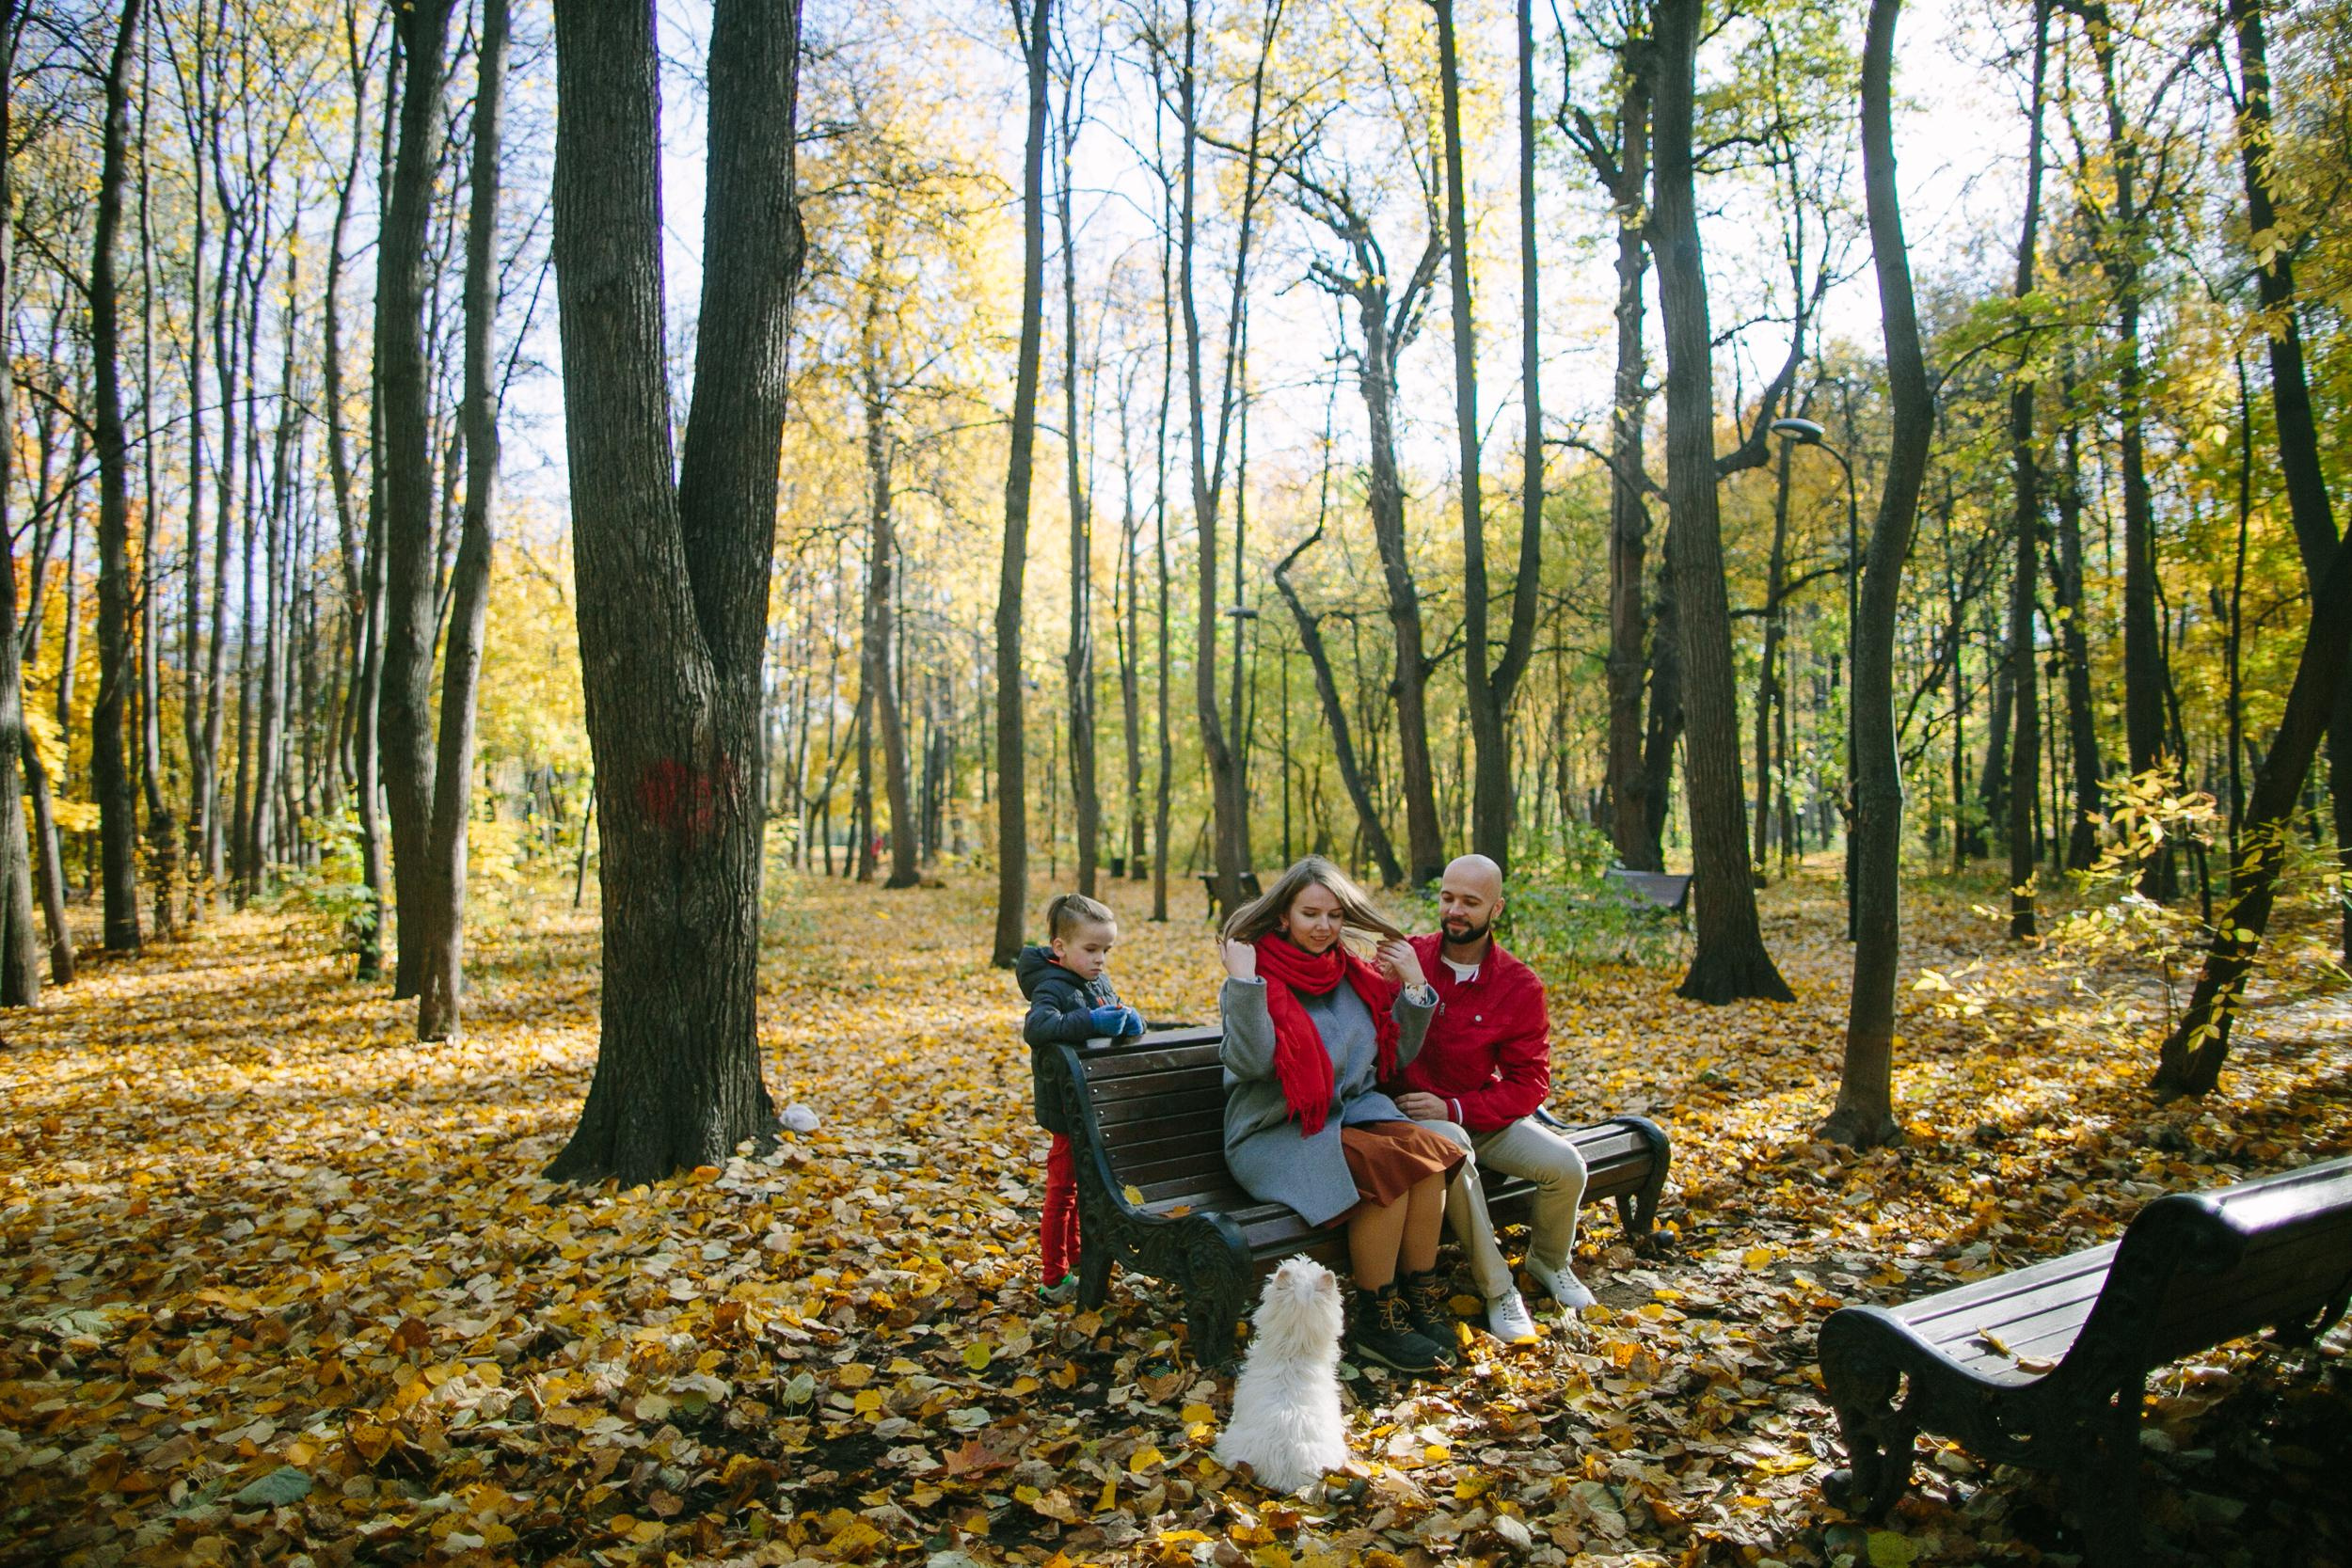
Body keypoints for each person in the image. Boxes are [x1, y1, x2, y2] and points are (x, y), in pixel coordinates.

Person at [1217, 857, 1467, 1373]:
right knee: (1386, 1167)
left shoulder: (1352, 973)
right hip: (1277, 1133)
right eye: (1310, 913)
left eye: (1334, 915)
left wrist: (1414, 985)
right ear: (1284, 916)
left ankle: (1414, 1300)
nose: (1324, 926)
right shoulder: (1255, 974)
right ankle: (1377, 1320)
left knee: (1431, 1156)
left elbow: (1391, 1059)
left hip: (1348, 1118)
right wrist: (1243, 986)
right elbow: (1252, 1062)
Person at [1391, 853, 1597, 1341]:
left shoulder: (1519, 985)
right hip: (1416, 1123)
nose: (1455, 910)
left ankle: (1549, 1263)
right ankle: (1499, 1289)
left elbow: (1530, 1082)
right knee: (1454, 1154)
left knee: (1567, 1166)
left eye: (1470, 901)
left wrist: (1459, 1108)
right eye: (1447, 898)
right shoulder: (1407, 961)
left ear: (1496, 908)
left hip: (1478, 1114)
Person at [1017, 893, 1145, 1303]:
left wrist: (1130, 1022)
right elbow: (1039, 1028)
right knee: (1062, 1193)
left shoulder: (1095, 980)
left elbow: (1111, 1013)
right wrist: (1089, 1020)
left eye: (1105, 950)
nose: (1100, 959)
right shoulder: (1050, 986)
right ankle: (1054, 1278)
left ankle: (1076, 1258)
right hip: (1067, 1109)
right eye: (1091, 949)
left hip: (1095, 1103)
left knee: (1084, 1189)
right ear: (1060, 948)